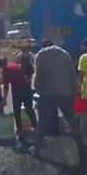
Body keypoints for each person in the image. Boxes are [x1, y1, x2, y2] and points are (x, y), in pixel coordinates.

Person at [32, 38, 85, 168]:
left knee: (43, 122)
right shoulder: (64, 54)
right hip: (65, 94)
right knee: (72, 122)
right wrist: (75, 94)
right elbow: (73, 77)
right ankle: (82, 151)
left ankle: (37, 148)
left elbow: (37, 79)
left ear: (43, 45)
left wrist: (39, 91)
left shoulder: (40, 55)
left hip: (47, 95)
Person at [0, 56, 37, 135]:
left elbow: (6, 87)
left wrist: (4, 100)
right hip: (26, 88)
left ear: (0, 65)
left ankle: (20, 130)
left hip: (17, 91)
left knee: (17, 111)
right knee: (29, 109)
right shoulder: (14, 64)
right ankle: (36, 127)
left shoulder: (5, 70)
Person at [78, 44, 87, 144]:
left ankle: (84, 139)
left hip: (85, 91)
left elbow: (80, 77)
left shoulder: (84, 57)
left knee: (84, 114)